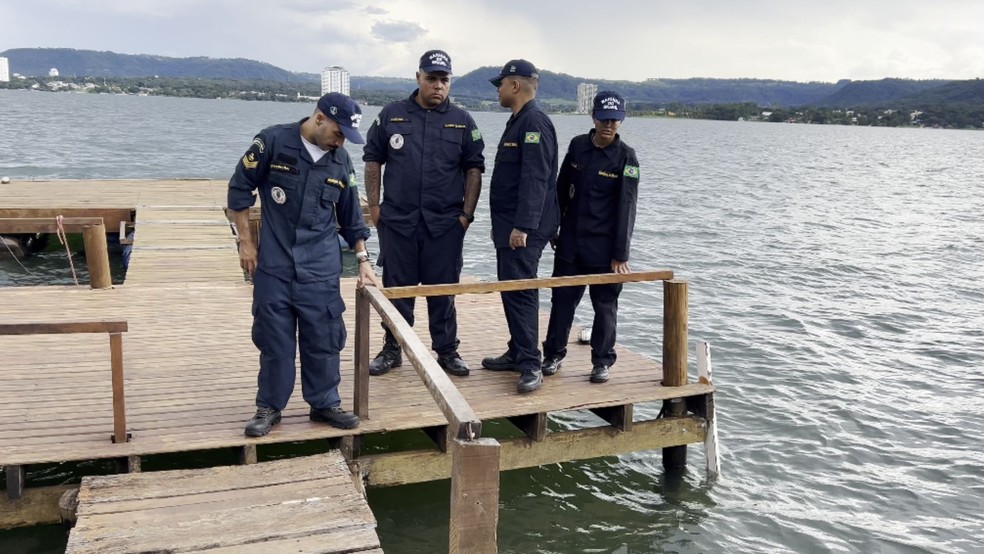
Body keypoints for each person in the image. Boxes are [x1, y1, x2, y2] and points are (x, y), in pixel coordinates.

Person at [228, 92, 380, 438]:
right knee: (274, 340)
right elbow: (239, 189)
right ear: (320, 117)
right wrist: (246, 243)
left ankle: (324, 403)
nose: (341, 141)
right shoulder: (271, 142)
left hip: (321, 269)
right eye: (339, 133)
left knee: (324, 340)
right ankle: (269, 407)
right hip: (275, 266)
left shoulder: (340, 161)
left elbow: (352, 218)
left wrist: (362, 260)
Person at [362, 49, 485, 378]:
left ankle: (447, 351)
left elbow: (475, 169)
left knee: (442, 291)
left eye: (444, 80)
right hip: (399, 222)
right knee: (397, 290)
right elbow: (372, 159)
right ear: (418, 78)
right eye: (431, 78)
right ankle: (393, 348)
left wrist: (466, 216)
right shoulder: (391, 115)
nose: (438, 86)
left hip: (445, 224)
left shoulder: (462, 120)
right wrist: (374, 207)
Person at [541, 91, 639, 383]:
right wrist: (552, 227)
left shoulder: (626, 157)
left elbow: (627, 207)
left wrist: (620, 254)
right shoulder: (578, 146)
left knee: (605, 306)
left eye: (614, 120)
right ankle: (553, 355)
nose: (608, 125)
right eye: (603, 119)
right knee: (562, 301)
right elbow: (560, 189)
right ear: (593, 117)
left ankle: (602, 361)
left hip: (605, 247)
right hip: (570, 242)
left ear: (621, 122)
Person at [481, 59, 559, 393]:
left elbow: (536, 178)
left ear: (515, 85)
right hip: (509, 226)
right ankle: (517, 350)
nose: (497, 89)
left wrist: (523, 227)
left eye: (500, 83)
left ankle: (530, 364)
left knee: (522, 291)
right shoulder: (519, 120)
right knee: (511, 290)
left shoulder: (533, 123)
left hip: (523, 229)